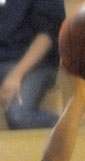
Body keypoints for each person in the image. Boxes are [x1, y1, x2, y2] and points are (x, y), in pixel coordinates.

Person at [0, 0, 65, 129]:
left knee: (19, 115)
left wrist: (16, 75)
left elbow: (47, 36)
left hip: (36, 65)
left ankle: (75, 127)